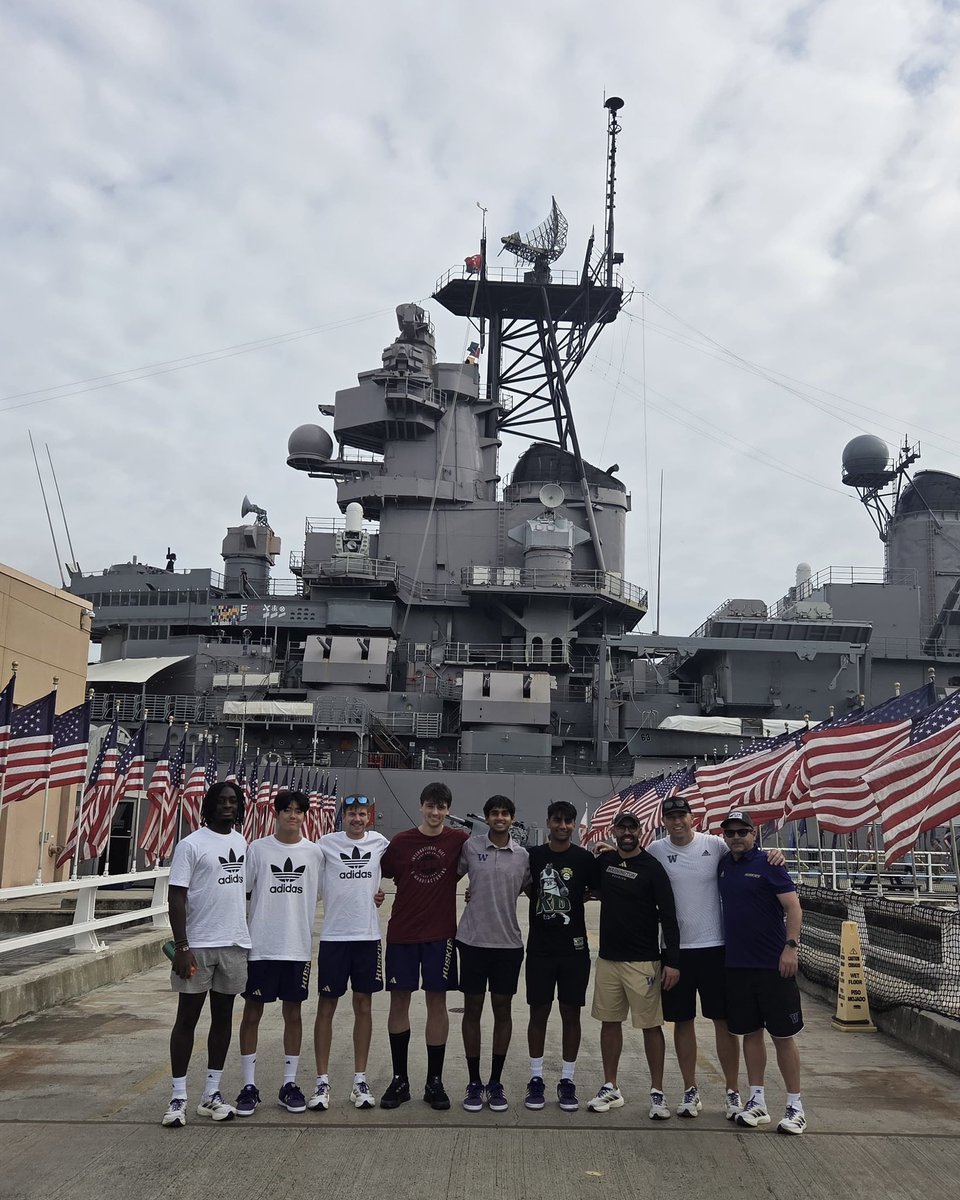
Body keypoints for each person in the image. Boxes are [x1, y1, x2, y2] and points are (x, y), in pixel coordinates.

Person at [645, 794, 743, 1120]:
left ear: (692, 817)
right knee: (682, 1023)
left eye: (681, 816)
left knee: (723, 1022)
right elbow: (631, 864)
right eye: (670, 817)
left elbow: (746, 854)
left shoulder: (715, 845)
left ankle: (733, 1092)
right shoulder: (656, 851)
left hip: (715, 948)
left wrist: (774, 856)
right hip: (676, 953)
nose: (676, 821)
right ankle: (690, 1090)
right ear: (664, 821)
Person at [162, 780, 250, 1127]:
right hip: (197, 944)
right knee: (187, 1019)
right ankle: (178, 1096)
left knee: (224, 1019)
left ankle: (211, 1094)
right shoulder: (191, 845)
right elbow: (176, 898)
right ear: (209, 805)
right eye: (221, 800)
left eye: (233, 801)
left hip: (233, 943)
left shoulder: (242, 842)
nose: (227, 805)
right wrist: (181, 946)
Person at [378, 781, 469, 1110]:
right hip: (402, 933)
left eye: (441, 806)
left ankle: (435, 1081)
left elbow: (486, 862)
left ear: (448, 810)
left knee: (437, 1004)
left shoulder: (459, 840)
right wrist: (372, 894)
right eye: (430, 806)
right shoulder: (402, 842)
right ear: (421, 806)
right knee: (399, 1003)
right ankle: (400, 1079)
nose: (435, 812)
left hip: (440, 935)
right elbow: (373, 872)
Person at [717, 809, 806, 1135]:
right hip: (737, 966)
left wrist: (791, 947)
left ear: (754, 835)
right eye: (731, 832)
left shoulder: (770, 864)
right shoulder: (724, 865)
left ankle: (795, 1107)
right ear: (725, 836)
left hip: (773, 966)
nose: (737, 837)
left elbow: (793, 907)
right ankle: (757, 1101)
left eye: (743, 832)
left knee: (783, 1036)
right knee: (750, 1034)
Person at [234, 790, 322, 1117]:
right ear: (277, 813)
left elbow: (331, 891)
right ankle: (248, 1085)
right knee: (252, 1015)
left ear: (305, 816)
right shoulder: (257, 849)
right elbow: (238, 892)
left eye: (299, 811)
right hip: (261, 946)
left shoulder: (315, 853)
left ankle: (289, 1083)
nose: (293, 816)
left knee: (294, 1015)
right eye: (287, 810)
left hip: (297, 947)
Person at [587, 810, 680, 1119]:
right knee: (609, 1023)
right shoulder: (606, 863)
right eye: (621, 827)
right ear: (613, 831)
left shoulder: (653, 868)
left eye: (632, 827)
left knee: (651, 1027)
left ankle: (657, 1093)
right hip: (609, 959)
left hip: (644, 961)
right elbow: (584, 887)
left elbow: (668, 917)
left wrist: (672, 961)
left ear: (641, 831)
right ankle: (610, 1086)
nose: (627, 831)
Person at [309, 793, 389, 1111]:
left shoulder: (380, 843)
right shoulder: (324, 844)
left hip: (367, 937)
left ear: (370, 817)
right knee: (326, 1007)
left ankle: (359, 1080)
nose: (357, 819)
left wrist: (379, 892)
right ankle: (322, 1082)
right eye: (351, 813)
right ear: (342, 817)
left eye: (362, 814)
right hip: (334, 937)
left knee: (364, 1006)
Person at [524, 799, 600, 1113]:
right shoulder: (533, 856)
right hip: (540, 949)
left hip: (574, 950)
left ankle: (567, 1079)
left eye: (568, 822)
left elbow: (591, 891)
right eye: (557, 820)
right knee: (538, 1013)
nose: (563, 826)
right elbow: (527, 888)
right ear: (549, 822)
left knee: (571, 1013)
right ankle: (536, 1077)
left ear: (573, 826)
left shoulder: (584, 859)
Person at [456, 795, 530, 1113]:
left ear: (512, 819)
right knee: (472, 1009)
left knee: (502, 1010)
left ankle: (495, 1082)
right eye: (494, 813)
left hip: (508, 944)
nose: (500, 818)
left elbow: (541, 889)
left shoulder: (523, 856)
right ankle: (474, 1082)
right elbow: (447, 876)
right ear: (486, 818)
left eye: (505, 813)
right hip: (472, 941)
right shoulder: (471, 847)